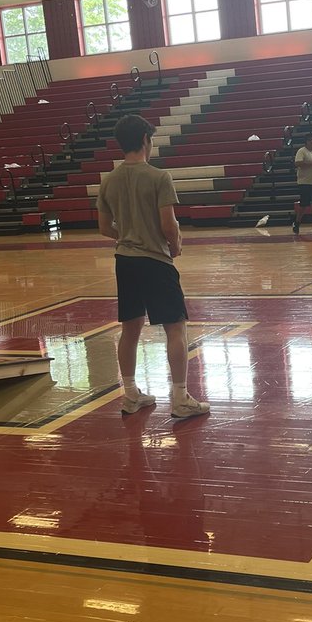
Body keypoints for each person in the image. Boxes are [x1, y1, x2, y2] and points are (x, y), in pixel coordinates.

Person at [96, 114, 210, 419]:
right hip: (156, 262)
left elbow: (105, 228)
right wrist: (174, 245)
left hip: (125, 261)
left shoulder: (108, 181)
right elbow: (167, 224)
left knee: (129, 329)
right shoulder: (159, 177)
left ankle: (131, 395)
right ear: (146, 140)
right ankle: (180, 398)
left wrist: (130, 235)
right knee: (176, 328)